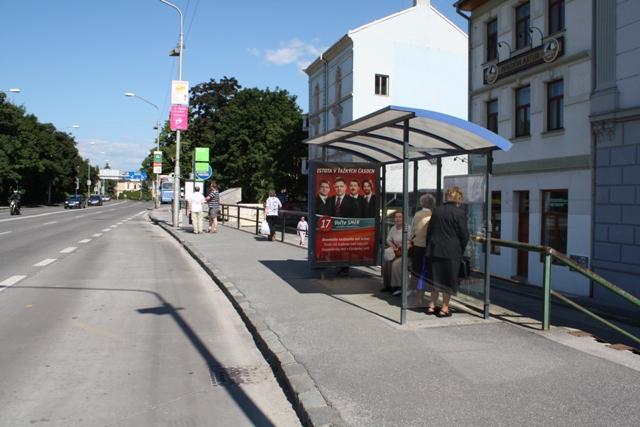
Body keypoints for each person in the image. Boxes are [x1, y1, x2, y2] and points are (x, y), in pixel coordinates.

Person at [424, 187, 469, 317]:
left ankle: (431, 306)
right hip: (451, 251)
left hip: (435, 250)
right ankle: (444, 308)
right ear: (458, 198)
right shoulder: (460, 213)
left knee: (434, 279)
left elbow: (429, 231)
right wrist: (461, 249)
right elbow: (464, 235)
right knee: (449, 280)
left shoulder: (437, 211)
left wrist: (430, 247)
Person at [384, 211, 407, 295]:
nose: (398, 219)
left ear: (404, 218)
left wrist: (400, 247)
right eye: (396, 217)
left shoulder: (407, 228)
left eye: (400, 217)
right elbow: (388, 239)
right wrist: (393, 246)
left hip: (404, 253)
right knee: (386, 263)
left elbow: (409, 242)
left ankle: (397, 286)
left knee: (395, 264)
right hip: (396, 251)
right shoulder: (393, 228)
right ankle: (388, 285)